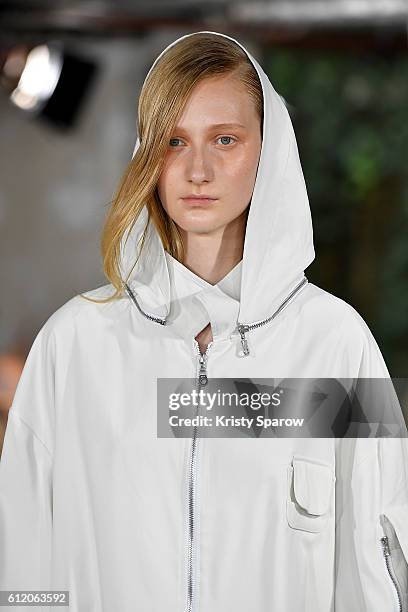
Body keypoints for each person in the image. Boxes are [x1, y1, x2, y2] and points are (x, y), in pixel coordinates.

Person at [0, 30, 407, 612]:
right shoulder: (74, 346)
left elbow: (381, 559)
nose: (198, 169)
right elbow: (22, 561)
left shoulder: (337, 343)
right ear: (147, 155)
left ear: (269, 150)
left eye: (225, 139)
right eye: (173, 141)